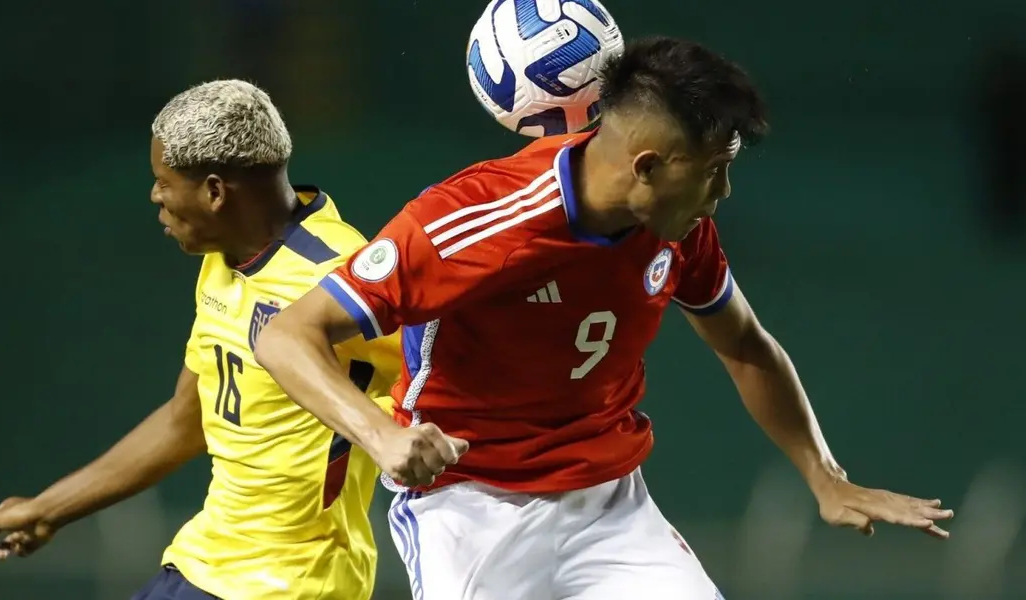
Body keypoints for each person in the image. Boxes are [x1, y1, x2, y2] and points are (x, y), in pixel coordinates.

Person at [254, 37, 955, 599]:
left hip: (610, 508)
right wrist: (380, 434)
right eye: (713, 169)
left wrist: (825, 476)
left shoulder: (677, 228)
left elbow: (744, 344)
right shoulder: (471, 222)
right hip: (470, 506)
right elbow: (289, 335)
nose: (724, 193)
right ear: (647, 165)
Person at [0, 80, 402, 600]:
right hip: (201, 565)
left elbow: (445, 377)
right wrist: (52, 508)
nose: (155, 195)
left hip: (291, 585)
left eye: (163, 180)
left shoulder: (340, 276)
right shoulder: (223, 261)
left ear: (215, 191)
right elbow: (188, 417)